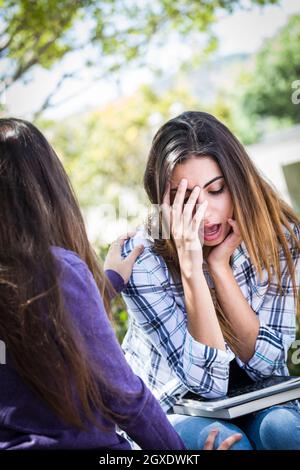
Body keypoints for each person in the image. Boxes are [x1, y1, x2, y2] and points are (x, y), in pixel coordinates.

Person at [0, 118, 242, 451]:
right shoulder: (57, 270)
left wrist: (108, 282)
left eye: (215, 190)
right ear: (46, 186)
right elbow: (126, 397)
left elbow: (43, 331)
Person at [120, 111, 300, 450]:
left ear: (239, 184)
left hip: (259, 398)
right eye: (185, 199)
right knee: (227, 444)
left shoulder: (278, 239)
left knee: (284, 431)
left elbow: (267, 365)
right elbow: (208, 384)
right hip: (178, 403)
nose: (206, 214)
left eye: (216, 190)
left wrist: (220, 268)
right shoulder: (142, 260)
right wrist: (191, 266)